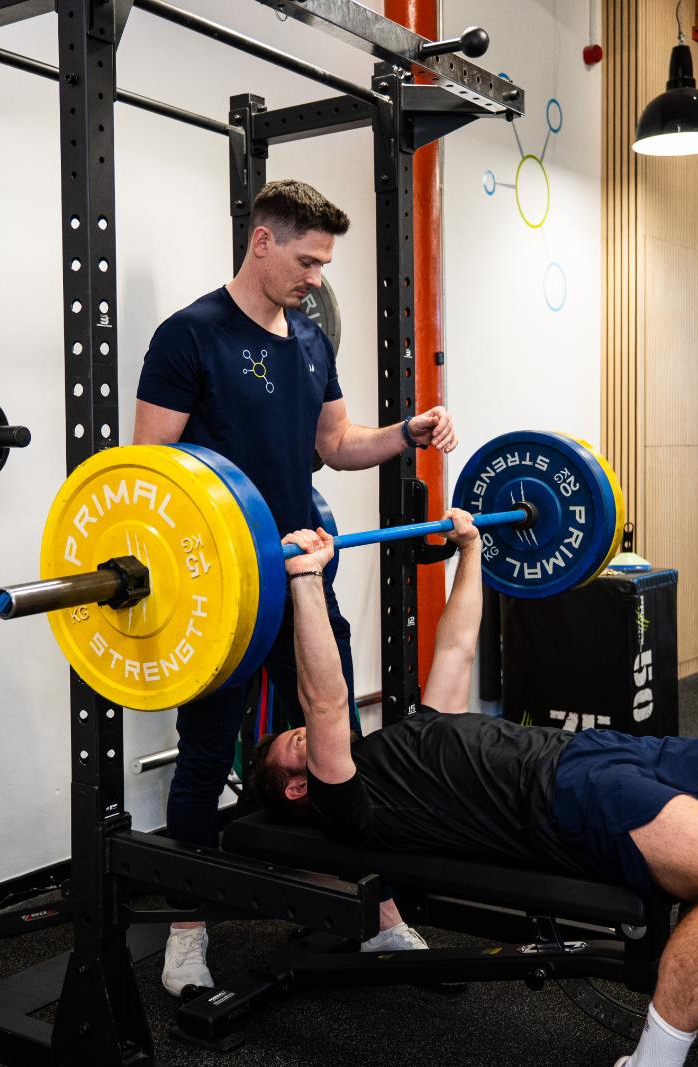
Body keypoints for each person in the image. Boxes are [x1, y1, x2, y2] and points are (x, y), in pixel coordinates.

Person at [252, 515, 698, 1067]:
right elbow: (327, 701)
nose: (306, 734)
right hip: (566, 797)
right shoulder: (349, 802)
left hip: (615, 751)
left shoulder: (410, 733)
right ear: (298, 788)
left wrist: (471, 550)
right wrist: (307, 579)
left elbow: (458, 647)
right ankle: (654, 1060)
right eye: (295, 744)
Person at [133, 178, 458, 997]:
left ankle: (374, 914)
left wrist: (406, 434)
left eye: (323, 263)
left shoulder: (312, 339)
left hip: (303, 583)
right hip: (225, 594)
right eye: (308, 260)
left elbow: (337, 442)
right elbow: (148, 474)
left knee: (341, 746)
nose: (317, 277)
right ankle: (185, 937)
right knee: (207, 755)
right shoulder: (189, 336)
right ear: (263, 242)